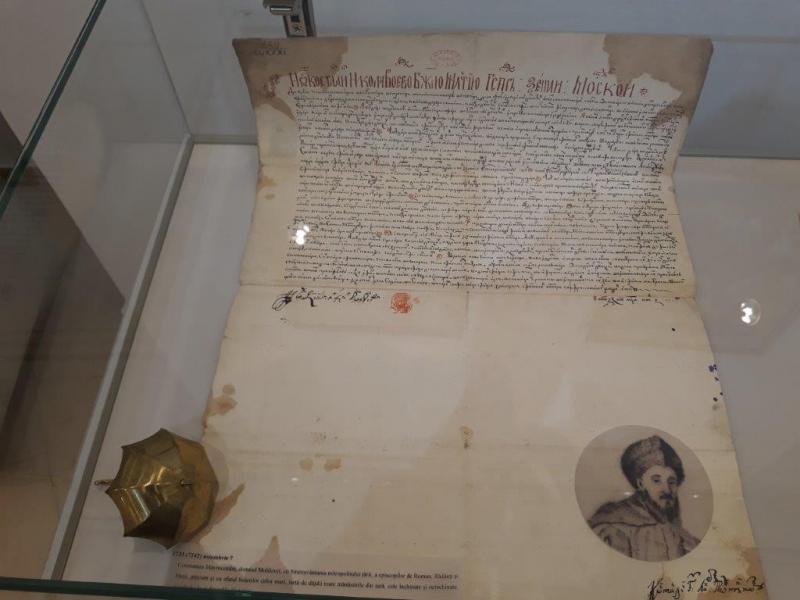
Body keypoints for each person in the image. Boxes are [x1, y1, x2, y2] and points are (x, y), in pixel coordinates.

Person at [588, 435, 700, 561]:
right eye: (656, 481)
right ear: (641, 484)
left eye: (671, 482)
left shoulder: (684, 537)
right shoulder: (611, 524)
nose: (667, 490)